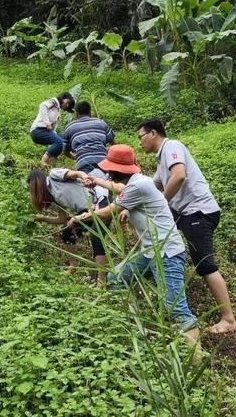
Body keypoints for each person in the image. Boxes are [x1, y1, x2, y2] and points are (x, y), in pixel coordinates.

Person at [68, 144, 199, 343]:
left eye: (110, 170)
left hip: (166, 253)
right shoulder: (138, 181)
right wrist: (97, 181)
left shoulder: (138, 186)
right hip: (149, 252)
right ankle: (134, 324)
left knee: (177, 309)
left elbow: (108, 210)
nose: (108, 174)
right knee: (116, 278)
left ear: (117, 170)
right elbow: (119, 188)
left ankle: (194, 358)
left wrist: (81, 217)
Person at [137, 119, 236, 334]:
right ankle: (150, 273)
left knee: (205, 264)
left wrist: (161, 203)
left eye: (141, 137)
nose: (140, 142)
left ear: (153, 133)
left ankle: (229, 319)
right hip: (184, 212)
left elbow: (179, 175)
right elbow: (153, 185)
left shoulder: (172, 146)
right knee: (156, 234)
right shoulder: (161, 158)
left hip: (198, 212)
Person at [28, 168, 110, 286]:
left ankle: (101, 282)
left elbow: (76, 174)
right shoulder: (51, 197)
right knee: (67, 232)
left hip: (97, 201)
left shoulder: (54, 176)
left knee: (96, 238)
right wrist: (41, 218)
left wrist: (85, 178)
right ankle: (73, 265)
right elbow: (62, 220)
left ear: (35, 183)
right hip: (84, 211)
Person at [63, 100, 115, 173]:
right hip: (103, 161)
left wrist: (76, 157)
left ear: (76, 113)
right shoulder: (101, 123)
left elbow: (64, 151)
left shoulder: (69, 127)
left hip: (83, 163)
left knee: (87, 182)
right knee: (105, 183)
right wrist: (105, 151)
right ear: (90, 112)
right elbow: (114, 144)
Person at [29, 92, 75, 167]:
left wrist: (53, 132)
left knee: (66, 139)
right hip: (38, 130)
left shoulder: (58, 110)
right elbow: (42, 105)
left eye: (68, 104)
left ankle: (52, 163)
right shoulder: (54, 102)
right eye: (67, 102)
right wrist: (47, 123)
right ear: (63, 98)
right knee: (58, 142)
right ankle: (43, 162)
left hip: (46, 131)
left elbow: (53, 128)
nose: (67, 105)